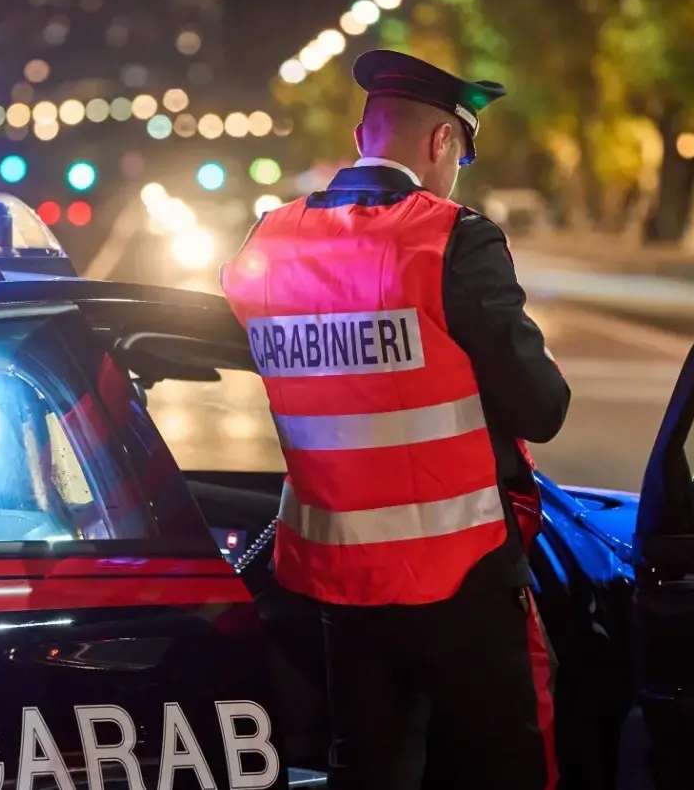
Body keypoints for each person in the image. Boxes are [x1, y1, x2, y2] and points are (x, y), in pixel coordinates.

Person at [221, 49, 571, 790]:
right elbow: (543, 408)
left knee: (370, 772)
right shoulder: (452, 237)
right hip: (464, 571)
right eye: (460, 156)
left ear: (360, 132)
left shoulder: (266, 244)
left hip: (339, 577)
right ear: (443, 142)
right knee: (509, 767)